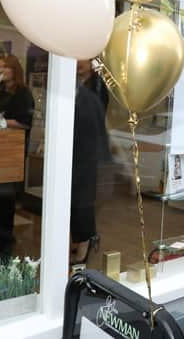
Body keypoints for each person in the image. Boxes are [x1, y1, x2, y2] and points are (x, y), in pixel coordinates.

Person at [70, 81, 110, 265]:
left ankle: (85, 241)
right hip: (78, 158)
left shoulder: (89, 99)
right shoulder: (82, 97)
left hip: (85, 159)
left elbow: (93, 132)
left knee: (82, 204)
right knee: (75, 202)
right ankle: (81, 239)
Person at [0, 55, 34, 132]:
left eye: (5, 67)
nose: (0, 70)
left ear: (15, 69)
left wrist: (1, 122)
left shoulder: (23, 92)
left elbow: (25, 124)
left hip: (15, 141)